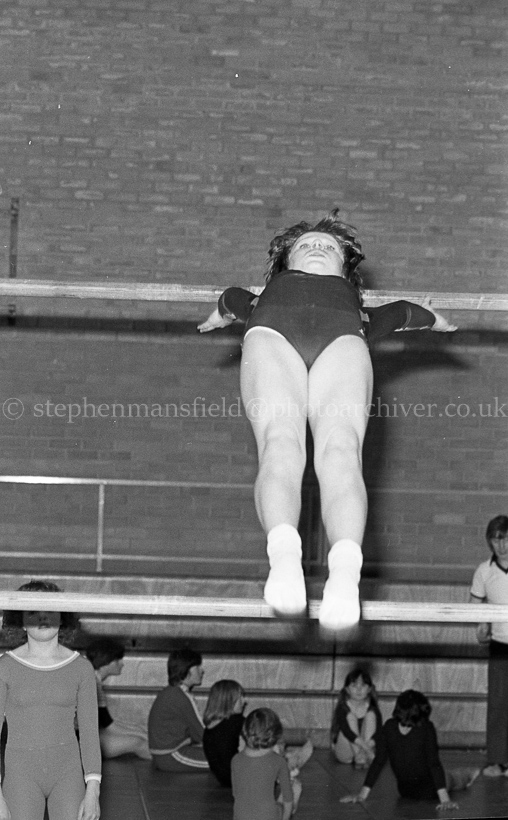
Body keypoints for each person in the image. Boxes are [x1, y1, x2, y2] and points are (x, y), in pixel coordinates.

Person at [198, 208, 457, 632]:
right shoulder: (261, 299)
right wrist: (219, 314)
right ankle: (284, 560)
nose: (317, 245)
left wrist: (440, 321)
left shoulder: (361, 313)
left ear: (346, 267)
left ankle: (345, 573)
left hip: (343, 341)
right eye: (305, 244)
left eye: (329, 245)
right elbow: (231, 297)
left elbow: (403, 313)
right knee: (280, 444)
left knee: (341, 451)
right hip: (271, 335)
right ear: (284, 264)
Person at [0, 580, 101, 820]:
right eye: (33, 612)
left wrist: (93, 792)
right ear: (20, 620)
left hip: (67, 772)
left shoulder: (81, 668)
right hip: (20, 772)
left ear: (62, 616)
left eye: (50, 610)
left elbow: (89, 733)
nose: (42, 618)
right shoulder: (5, 667)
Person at [340, 689, 480, 812]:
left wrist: (445, 800)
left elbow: (433, 763)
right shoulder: (389, 727)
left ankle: (467, 774)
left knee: (453, 779)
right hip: (406, 791)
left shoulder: (426, 728)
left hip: (431, 788)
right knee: (447, 776)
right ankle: (460, 774)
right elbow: (378, 761)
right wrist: (362, 795)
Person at [470, 514, 508, 777]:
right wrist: (480, 627)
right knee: (497, 704)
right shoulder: (484, 571)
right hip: (500, 645)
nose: (502, 545)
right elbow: (474, 608)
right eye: (497, 540)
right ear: (490, 542)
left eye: (506, 539)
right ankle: (497, 760)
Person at [85, 638, 151, 760]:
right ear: (106, 661)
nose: (122, 663)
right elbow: (111, 727)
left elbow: (106, 722)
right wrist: (143, 735)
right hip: (81, 743)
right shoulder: (92, 682)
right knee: (138, 742)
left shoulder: (92, 679)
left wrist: (139, 730)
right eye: (117, 660)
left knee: (139, 733)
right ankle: (168, 759)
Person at [147, 647, 209, 772]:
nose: (202, 671)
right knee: (224, 761)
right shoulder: (181, 696)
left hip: (165, 754)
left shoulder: (171, 692)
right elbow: (201, 733)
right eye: (197, 667)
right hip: (172, 755)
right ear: (186, 669)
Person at [231, 708, 293, 820]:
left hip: (241, 816)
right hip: (268, 816)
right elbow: (288, 799)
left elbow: (236, 794)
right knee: (295, 788)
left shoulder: (235, 760)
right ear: (274, 737)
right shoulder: (278, 761)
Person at [331, 667, 382, 768]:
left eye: (363, 685)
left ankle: (363, 756)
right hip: (346, 753)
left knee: (370, 715)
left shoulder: (372, 709)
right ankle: (359, 755)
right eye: (354, 685)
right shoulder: (343, 708)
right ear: (347, 690)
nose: (359, 689)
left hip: (366, 749)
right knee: (351, 717)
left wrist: (368, 747)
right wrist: (365, 749)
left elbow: (379, 732)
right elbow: (347, 732)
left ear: (369, 689)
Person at [203, 679, 247, 786]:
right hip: (241, 776)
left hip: (224, 778)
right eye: (240, 697)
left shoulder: (209, 727)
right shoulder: (236, 721)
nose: (244, 701)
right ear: (229, 700)